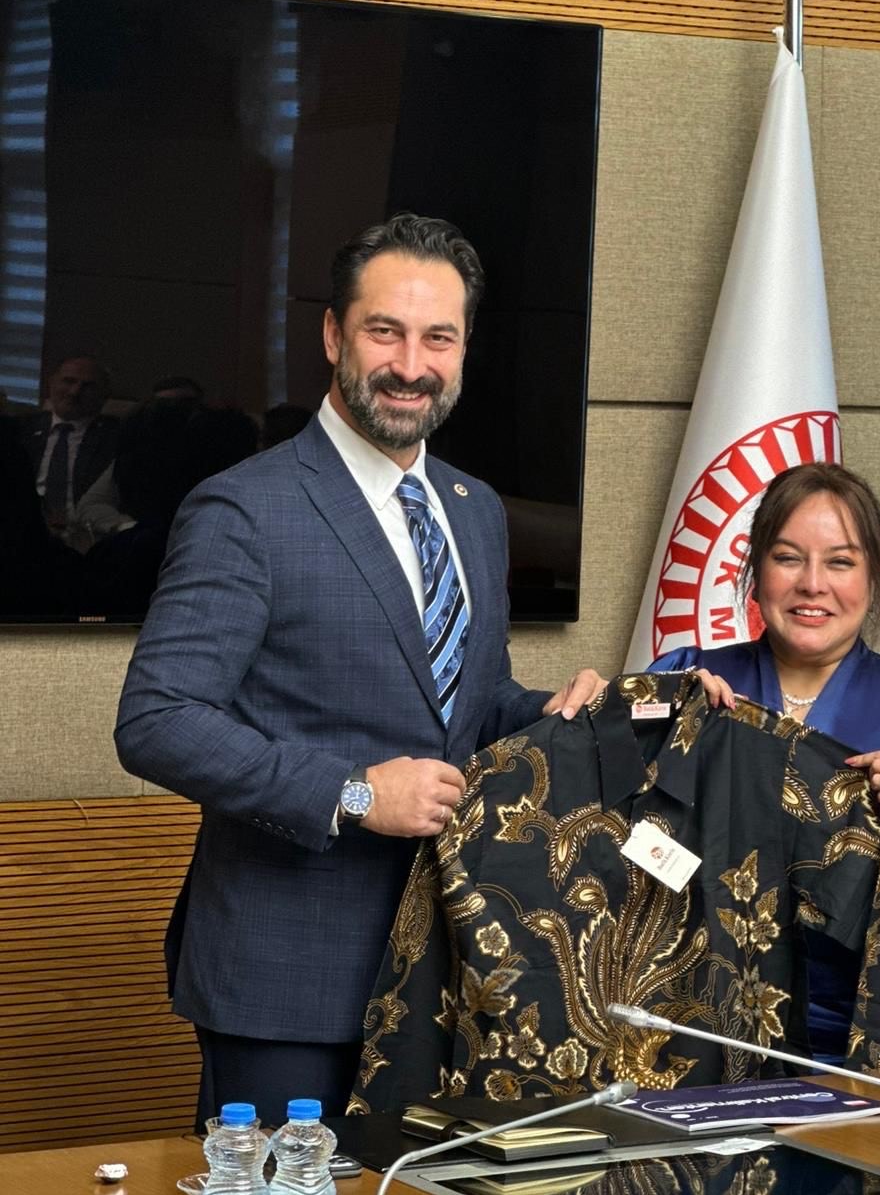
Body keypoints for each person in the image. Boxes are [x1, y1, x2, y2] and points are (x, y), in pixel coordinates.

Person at [115, 212, 604, 1127]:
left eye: (438, 338)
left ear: (463, 350)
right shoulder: (246, 509)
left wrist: (566, 713)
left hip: (449, 966)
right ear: (335, 335)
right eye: (386, 331)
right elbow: (157, 719)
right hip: (286, 976)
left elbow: (469, 706)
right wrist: (352, 793)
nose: (411, 365)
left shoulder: (474, 509)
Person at [649, 461, 880, 1063]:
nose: (812, 584)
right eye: (788, 558)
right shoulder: (687, 681)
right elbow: (625, 848)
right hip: (694, 1019)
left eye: (840, 562)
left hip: (859, 1027)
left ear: (873, 577)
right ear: (756, 571)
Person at [19, 353, 119, 533]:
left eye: (88, 386)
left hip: (86, 531)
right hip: (22, 526)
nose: (74, 392)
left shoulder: (117, 436)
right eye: (68, 381)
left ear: (105, 394)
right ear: (51, 383)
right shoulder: (22, 428)